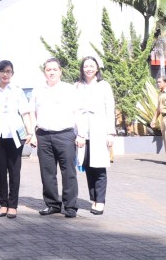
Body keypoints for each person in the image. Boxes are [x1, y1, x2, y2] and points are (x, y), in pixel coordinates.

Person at [30, 58, 79, 218]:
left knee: (69, 172)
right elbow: (31, 113)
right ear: (44, 72)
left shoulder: (69, 89)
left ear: (60, 71)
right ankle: (52, 204)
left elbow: (77, 112)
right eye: (48, 69)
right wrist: (32, 133)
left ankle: (70, 206)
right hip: (43, 135)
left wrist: (80, 134)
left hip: (65, 135)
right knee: (47, 172)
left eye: (54, 69)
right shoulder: (38, 90)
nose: (51, 72)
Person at [74, 56, 115, 215]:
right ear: (82, 69)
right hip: (83, 132)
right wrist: (77, 133)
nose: (89, 69)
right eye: (86, 66)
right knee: (87, 166)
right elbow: (74, 110)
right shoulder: (77, 86)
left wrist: (111, 132)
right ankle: (93, 198)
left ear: (97, 68)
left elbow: (110, 109)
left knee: (99, 167)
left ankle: (100, 200)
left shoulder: (104, 86)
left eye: (92, 66)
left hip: (100, 130)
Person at [0, 60, 32, 219]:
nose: (5, 74)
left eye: (8, 71)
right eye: (2, 71)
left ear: (12, 74)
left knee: (14, 171)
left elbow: (25, 113)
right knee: (1, 171)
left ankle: (13, 205)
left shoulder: (17, 91)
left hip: (15, 136)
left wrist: (30, 132)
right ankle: (3, 204)